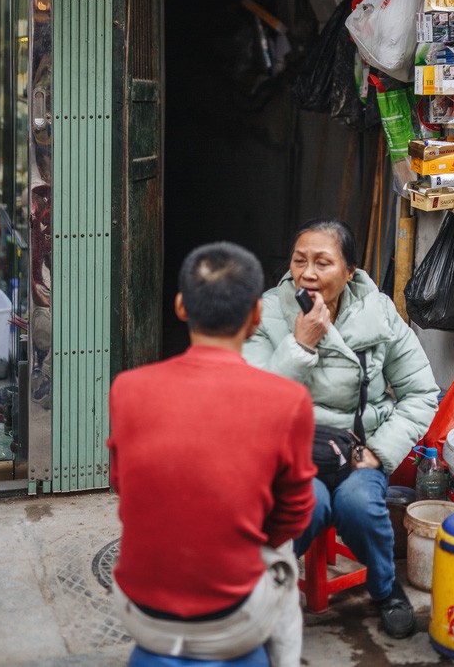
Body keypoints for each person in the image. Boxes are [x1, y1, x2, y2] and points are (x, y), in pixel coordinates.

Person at [107, 242, 316, 666]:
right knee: (284, 568)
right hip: (235, 622)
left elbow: (121, 485)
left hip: (142, 614)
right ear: (256, 317)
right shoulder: (288, 400)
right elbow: (293, 515)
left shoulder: (127, 388)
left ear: (181, 307)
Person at [243, 217, 440, 639]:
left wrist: (380, 453)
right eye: (299, 261)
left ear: (350, 271)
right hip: (292, 454)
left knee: (358, 507)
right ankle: (259, 596)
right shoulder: (268, 313)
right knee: (303, 509)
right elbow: (254, 401)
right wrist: (299, 345)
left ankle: (386, 590)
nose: (308, 273)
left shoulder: (379, 313)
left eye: (322, 262)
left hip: (358, 450)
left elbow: (422, 392)